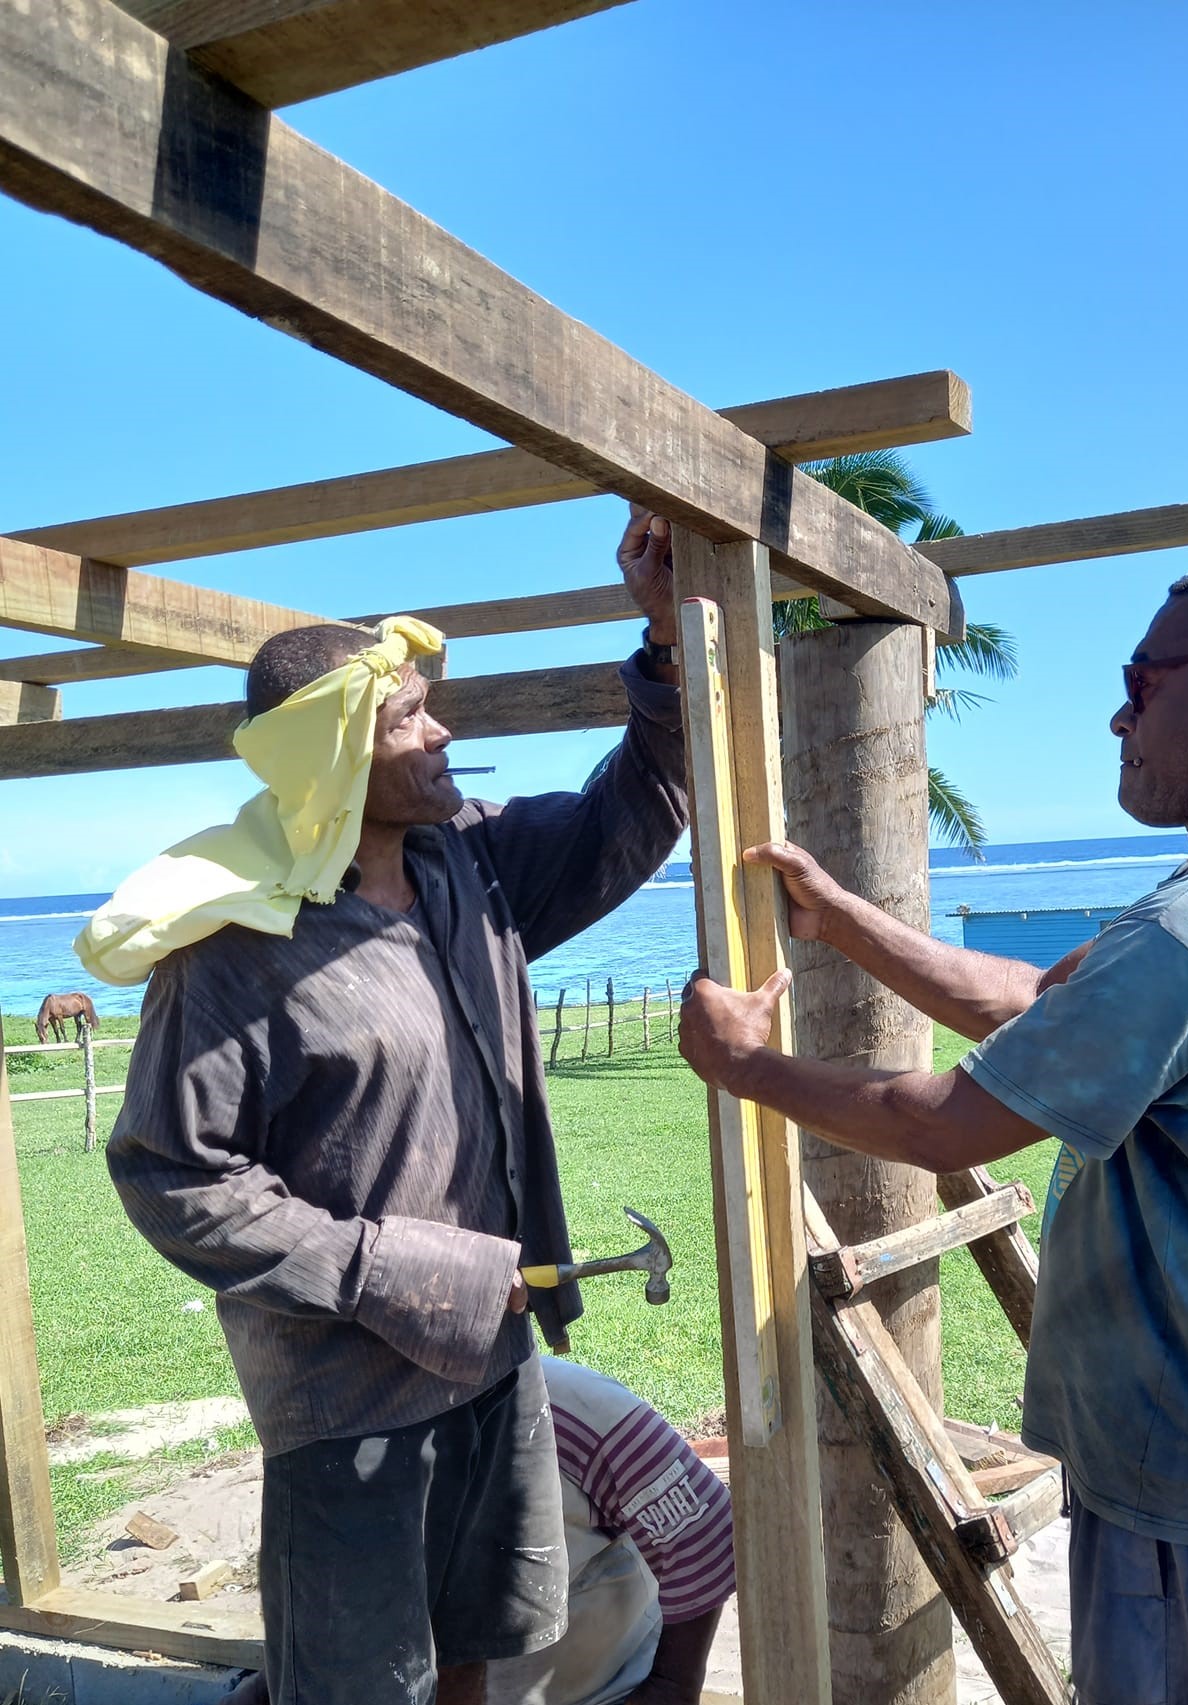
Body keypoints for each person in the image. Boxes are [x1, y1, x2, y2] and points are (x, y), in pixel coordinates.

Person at [678, 557, 1188, 1705]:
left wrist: (742, 1064)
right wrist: (844, 921)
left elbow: (948, 1123)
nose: (1120, 711)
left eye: (1142, 680)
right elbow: (1037, 1006)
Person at [98, 507, 688, 1705]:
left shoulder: (468, 865)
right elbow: (171, 1171)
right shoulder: (233, 955)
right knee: (362, 1685)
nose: (444, 730)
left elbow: (636, 813)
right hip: (346, 1400)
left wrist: (666, 641)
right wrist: (388, 1268)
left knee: (474, 1651)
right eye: (410, 715)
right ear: (332, 759)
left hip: (488, 1360)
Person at [229, 1354, 735, 1705]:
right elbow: (331, 1615)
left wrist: (671, 1688)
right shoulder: (339, 1444)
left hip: (606, 1689)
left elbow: (705, 1531)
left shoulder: (571, 1408)